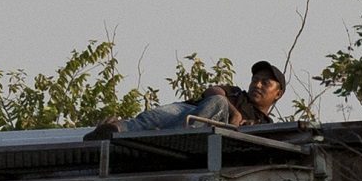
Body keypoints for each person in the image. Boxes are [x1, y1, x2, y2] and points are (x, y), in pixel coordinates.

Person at [83, 60, 285, 141]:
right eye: (255, 80)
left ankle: (170, 137)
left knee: (219, 103)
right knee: (150, 118)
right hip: (187, 111)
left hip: (199, 127)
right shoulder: (236, 92)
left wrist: (239, 121)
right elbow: (212, 90)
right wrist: (236, 112)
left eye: (265, 83)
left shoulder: (265, 124)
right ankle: (109, 132)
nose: (257, 85)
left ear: (278, 93)